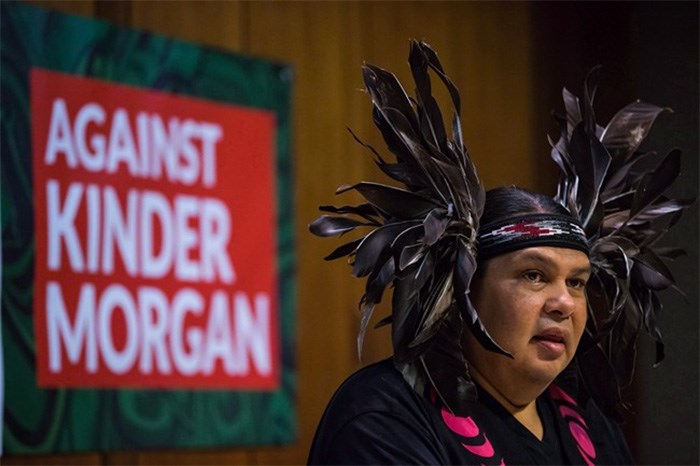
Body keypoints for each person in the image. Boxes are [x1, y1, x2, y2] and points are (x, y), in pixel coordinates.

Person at [308, 40, 690, 465]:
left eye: (577, 282)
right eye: (534, 275)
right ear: (465, 290)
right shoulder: (382, 416)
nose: (564, 303)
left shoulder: (591, 423)